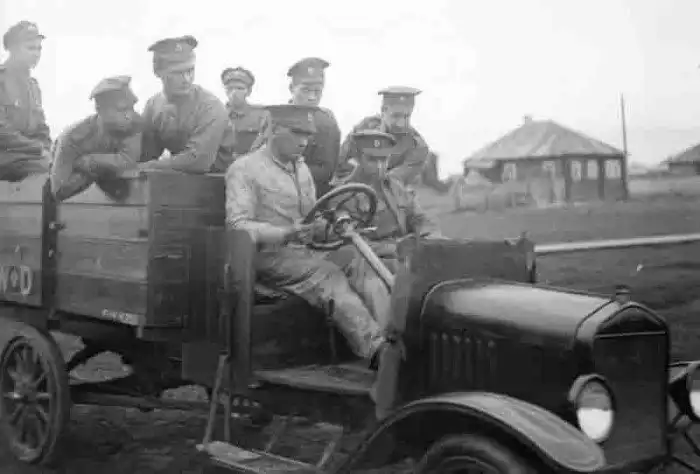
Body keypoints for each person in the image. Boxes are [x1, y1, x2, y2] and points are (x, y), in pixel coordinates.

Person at [225, 104, 387, 364]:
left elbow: (311, 215)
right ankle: (376, 349)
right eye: (297, 133)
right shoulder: (244, 169)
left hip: (304, 252)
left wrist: (329, 227)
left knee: (357, 259)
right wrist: (285, 233)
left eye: (308, 135)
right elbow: (238, 225)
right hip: (266, 258)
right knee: (327, 274)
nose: (304, 142)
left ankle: (393, 338)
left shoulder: (300, 169)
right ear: (275, 130)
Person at [139, 35, 235, 173]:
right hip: (178, 178)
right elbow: (146, 155)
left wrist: (148, 166)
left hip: (217, 179)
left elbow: (198, 161)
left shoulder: (210, 106)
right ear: (158, 72)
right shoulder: (153, 106)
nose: (186, 79)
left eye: (190, 71)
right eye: (177, 73)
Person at [249, 57, 341, 196]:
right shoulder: (275, 116)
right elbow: (255, 153)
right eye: (305, 90)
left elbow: (326, 171)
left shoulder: (326, 123)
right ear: (292, 88)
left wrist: (286, 173)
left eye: (317, 91)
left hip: (309, 194)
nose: (312, 97)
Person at [50, 75, 143, 202]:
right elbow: (59, 190)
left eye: (131, 108)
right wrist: (92, 173)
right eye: (122, 109)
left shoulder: (134, 125)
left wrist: (91, 162)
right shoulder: (74, 138)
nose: (130, 115)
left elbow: (128, 159)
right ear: (100, 110)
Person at [338, 86, 429, 187]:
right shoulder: (365, 127)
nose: (401, 123)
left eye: (407, 116)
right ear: (383, 110)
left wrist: (359, 167)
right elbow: (340, 162)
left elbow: (390, 183)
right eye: (396, 116)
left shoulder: (417, 147)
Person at [0, 21, 51, 181]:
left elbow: (42, 128)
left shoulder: (33, 86)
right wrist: (38, 149)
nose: (36, 54)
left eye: (39, 49)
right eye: (30, 48)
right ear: (13, 49)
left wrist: (48, 148)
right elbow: (2, 132)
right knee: (50, 168)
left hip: (27, 156)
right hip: (5, 156)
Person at [220, 66, 270, 163]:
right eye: (230, 88)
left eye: (240, 88)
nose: (234, 92)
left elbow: (265, 146)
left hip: (251, 166)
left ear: (249, 91)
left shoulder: (261, 115)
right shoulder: (217, 115)